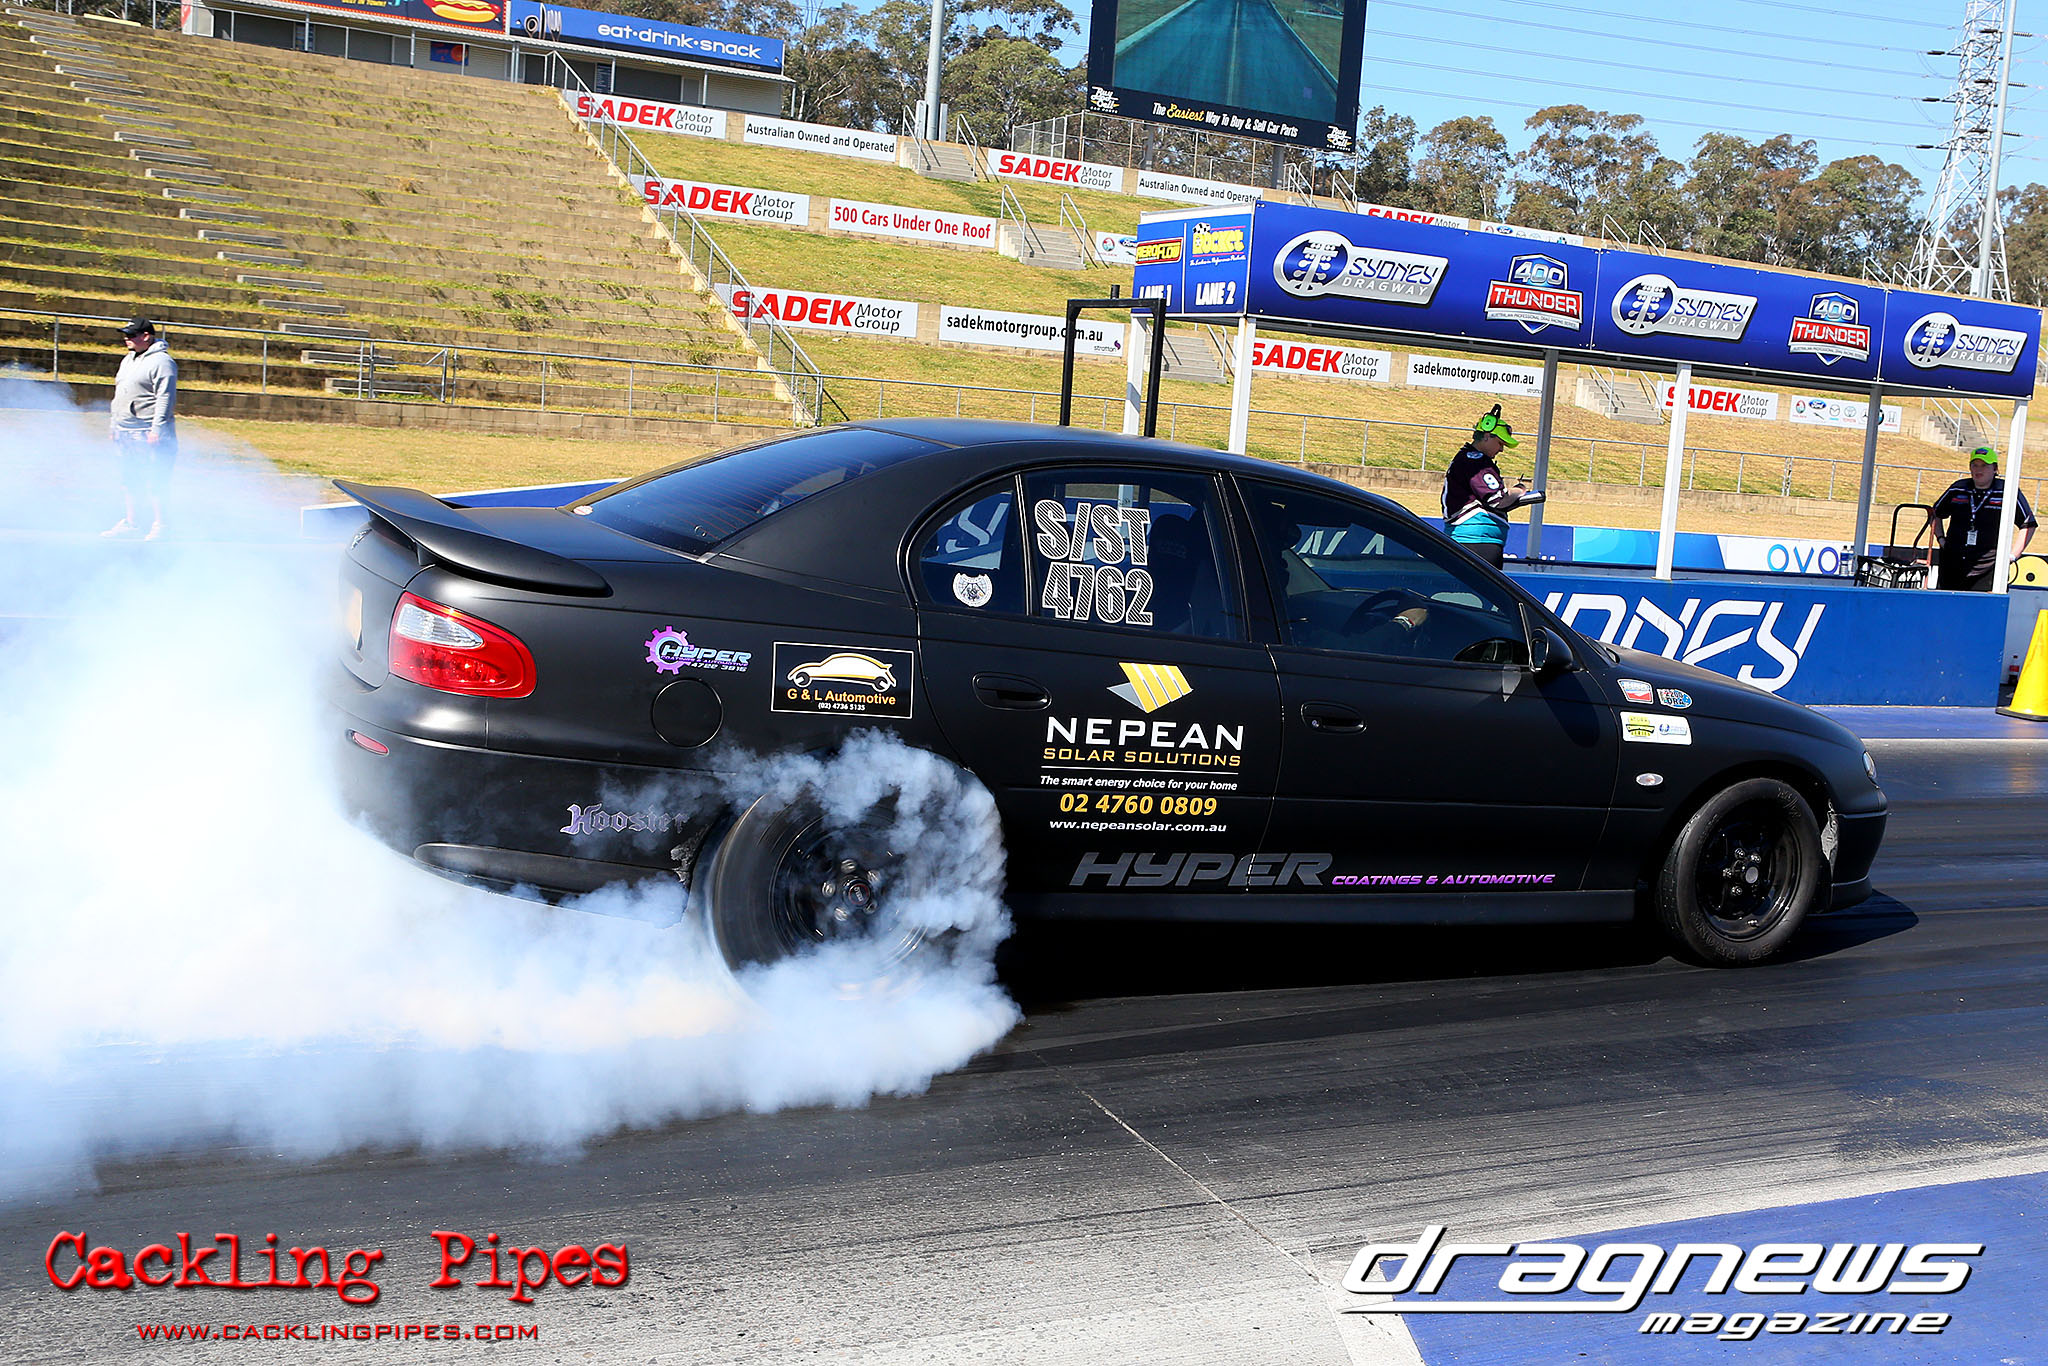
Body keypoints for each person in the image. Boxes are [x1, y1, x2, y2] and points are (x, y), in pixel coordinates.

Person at [1442, 403, 1545, 568]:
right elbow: (1498, 499)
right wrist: (1520, 490)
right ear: (1487, 435)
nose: (1501, 449)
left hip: (1472, 540)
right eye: (1500, 443)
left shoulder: (1468, 458)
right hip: (1477, 542)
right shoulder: (1475, 461)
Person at [104, 316, 178, 540]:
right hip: (125, 429)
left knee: (155, 478)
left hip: (147, 429)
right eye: (125, 335)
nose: (127, 339)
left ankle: (161, 525)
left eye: (131, 335)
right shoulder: (128, 360)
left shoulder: (162, 362)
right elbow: (119, 393)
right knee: (129, 479)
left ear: (146, 336)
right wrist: (114, 424)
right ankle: (132, 523)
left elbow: (165, 397)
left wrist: (157, 429)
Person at [1933, 447, 2036, 591]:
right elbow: (1934, 513)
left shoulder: (2006, 491)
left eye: (1984, 465)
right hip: (1953, 566)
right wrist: (1941, 540)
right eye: (1974, 465)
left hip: (1989, 569)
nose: (1978, 470)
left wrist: (2012, 556)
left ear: (1995, 469)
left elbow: (2028, 524)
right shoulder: (1958, 488)